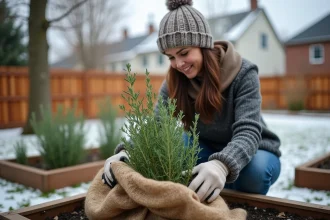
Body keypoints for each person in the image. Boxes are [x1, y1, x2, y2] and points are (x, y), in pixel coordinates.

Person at [103, 0, 281, 203]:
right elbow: (158, 126)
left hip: (256, 149)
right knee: (174, 145)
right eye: (170, 57)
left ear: (203, 44)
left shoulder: (244, 73)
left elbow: (248, 131)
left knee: (254, 175)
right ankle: (209, 189)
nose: (178, 64)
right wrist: (128, 151)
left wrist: (221, 166)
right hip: (204, 147)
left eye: (184, 53)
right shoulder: (173, 82)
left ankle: (234, 196)